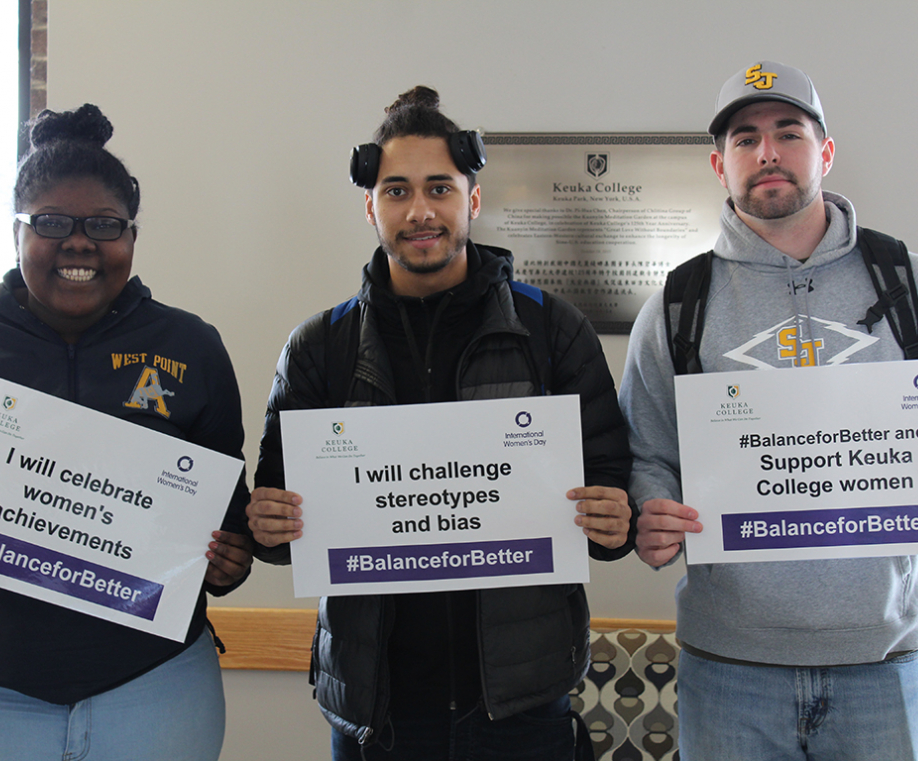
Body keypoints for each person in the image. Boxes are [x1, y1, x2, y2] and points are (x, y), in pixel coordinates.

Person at [247, 86, 635, 760]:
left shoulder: (550, 329)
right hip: (379, 712)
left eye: (438, 188)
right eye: (396, 191)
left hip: (521, 706)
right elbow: (280, 528)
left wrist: (612, 517)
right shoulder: (318, 346)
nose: (419, 210)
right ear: (369, 205)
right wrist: (269, 524)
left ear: (472, 200)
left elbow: (609, 493)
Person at [620, 61, 918, 760]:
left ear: (824, 152)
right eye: (744, 139)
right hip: (727, 668)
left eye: (787, 132)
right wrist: (653, 510)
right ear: (719, 164)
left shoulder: (916, 286)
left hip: (881, 664)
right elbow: (645, 452)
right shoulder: (677, 306)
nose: (766, 152)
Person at [0, 104, 253, 761]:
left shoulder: (189, 346)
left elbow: (230, 522)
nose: (78, 243)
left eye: (104, 225)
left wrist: (231, 560)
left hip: (154, 685)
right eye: (50, 223)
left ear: (131, 237)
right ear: (16, 231)